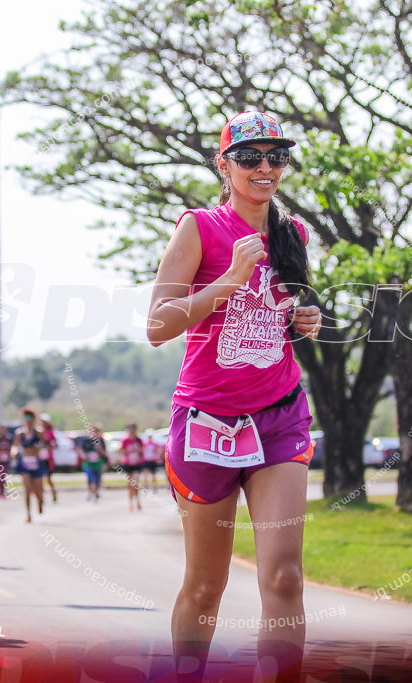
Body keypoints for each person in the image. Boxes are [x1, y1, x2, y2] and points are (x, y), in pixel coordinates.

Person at [147, 110, 322, 681]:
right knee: (205, 586)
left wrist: (302, 320)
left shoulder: (291, 233)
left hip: (278, 417)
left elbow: (276, 313)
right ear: (224, 165)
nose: (265, 167)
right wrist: (226, 281)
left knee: (283, 577)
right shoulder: (199, 227)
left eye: (276, 156)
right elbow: (157, 325)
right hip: (207, 423)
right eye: (250, 157)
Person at [13, 408, 47, 522]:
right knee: (27, 489)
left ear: (34, 419)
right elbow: (15, 446)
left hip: (36, 463)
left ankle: (40, 502)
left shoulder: (39, 432)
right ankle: (28, 514)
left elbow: (45, 444)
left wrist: (39, 446)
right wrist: (13, 452)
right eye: (26, 417)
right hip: (25, 463)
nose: (28, 420)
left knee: (38, 489)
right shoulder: (20, 433)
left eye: (30, 417)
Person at [119, 423, 143, 512]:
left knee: (136, 484)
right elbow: (121, 451)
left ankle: (138, 502)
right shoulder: (125, 440)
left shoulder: (138, 440)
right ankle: (131, 503)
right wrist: (129, 451)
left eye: (133, 429)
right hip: (128, 464)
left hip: (136, 464)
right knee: (130, 485)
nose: (131, 431)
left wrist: (139, 452)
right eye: (130, 429)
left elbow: (142, 452)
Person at [40, 413, 58, 503]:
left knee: (49, 479)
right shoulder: (38, 431)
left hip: (48, 458)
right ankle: (41, 497)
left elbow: (55, 445)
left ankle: (54, 494)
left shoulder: (50, 432)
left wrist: (49, 446)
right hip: (40, 458)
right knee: (40, 479)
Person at [0, 424, 12, 499]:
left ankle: (2, 491)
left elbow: (12, 448)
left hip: (6, 461)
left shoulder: (9, 438)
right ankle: (0, 489)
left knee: (3, 475)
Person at [141, 428, 162, 492]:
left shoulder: (154, 444)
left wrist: (158, 458)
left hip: (152, 460)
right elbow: (142, 451)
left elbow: (157, 451)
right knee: (145, 474)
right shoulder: (144, 444)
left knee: (153, 475)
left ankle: (154, 487)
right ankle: (146, 487)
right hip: (146, 460)